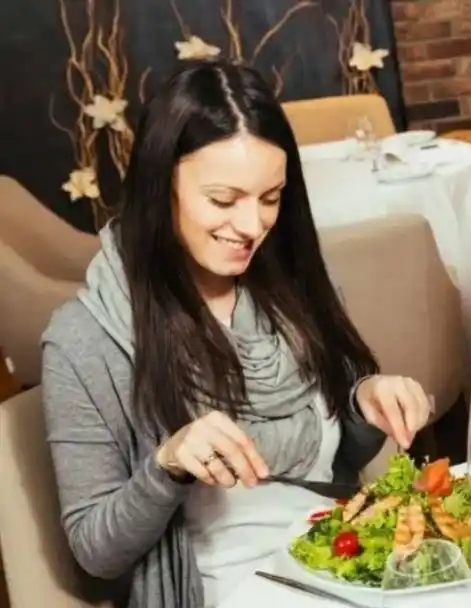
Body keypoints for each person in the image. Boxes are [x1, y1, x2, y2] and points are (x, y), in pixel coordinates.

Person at [40, 60, 432, 608]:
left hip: (346, 556)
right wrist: (169, 462)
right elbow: (95, 554)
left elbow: (335, 459)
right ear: (160, 187)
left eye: (270, 198)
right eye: (223, 200)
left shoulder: (291, 287)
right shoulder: (86, 338)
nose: (251, 226)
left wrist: (365, 404)